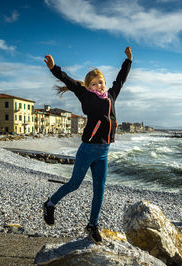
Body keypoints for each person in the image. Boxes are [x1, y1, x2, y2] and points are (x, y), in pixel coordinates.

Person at [43, 47, 133, 243]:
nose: (98, 86)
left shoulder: (111, 96)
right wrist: (53, 68)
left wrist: (128, 61)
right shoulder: (86, 96)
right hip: (88, 150)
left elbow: (121, 80)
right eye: (93, 84)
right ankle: (50, 204)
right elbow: (70, 82)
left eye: (100, 82)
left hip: (104, 151)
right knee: (74, 184)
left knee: (99, 190)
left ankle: (93, 225)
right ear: (88, 86)